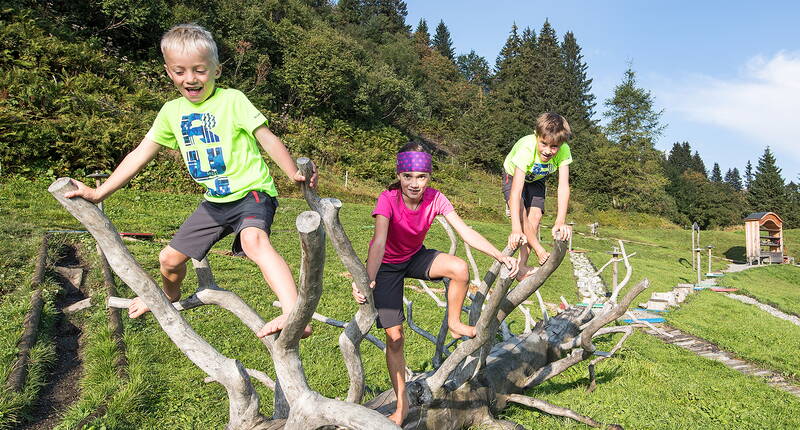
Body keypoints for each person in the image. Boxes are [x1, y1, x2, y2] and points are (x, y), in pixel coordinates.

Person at [64, 23, 314, 338]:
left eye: (199, 70)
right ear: (169, 72)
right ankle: (169, 295)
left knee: (254, 242)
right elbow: (140, 154)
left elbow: (267, 138)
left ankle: (295, 314)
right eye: (180, 71)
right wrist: (100, 192)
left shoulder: (232, 100)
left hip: (252, 192)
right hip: (215, 202)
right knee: (168, 259)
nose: (190, 78)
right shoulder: (171, 112)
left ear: (216, 70)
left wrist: (292, 172)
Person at [353, 141, 518, 426]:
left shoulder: (436, 198)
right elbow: (378, 243)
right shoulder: (387, 198)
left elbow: (465, 232)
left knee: (459, 269)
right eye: (408, 177)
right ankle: (402, 405)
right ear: (399, 174)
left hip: (415, 257)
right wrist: (367, 280)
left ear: (429, 177)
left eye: (421, 177)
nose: (414, 184)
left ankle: (455, 322)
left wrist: (500, 255)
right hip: (387, 268)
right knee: (395, 339)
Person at [502, 112, 573, 279]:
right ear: (537, 136)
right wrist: (516, 230)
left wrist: (560, 221)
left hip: (537, 178)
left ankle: (522, 266)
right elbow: (516, 191)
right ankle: (540, 250)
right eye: (544, 144)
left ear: (561, 144)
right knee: (522, 214)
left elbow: (563, 186)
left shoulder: (564, 150)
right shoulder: (527, 148)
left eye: (554, 147)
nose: (548, 151)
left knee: (535, 216)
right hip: (514, 176)